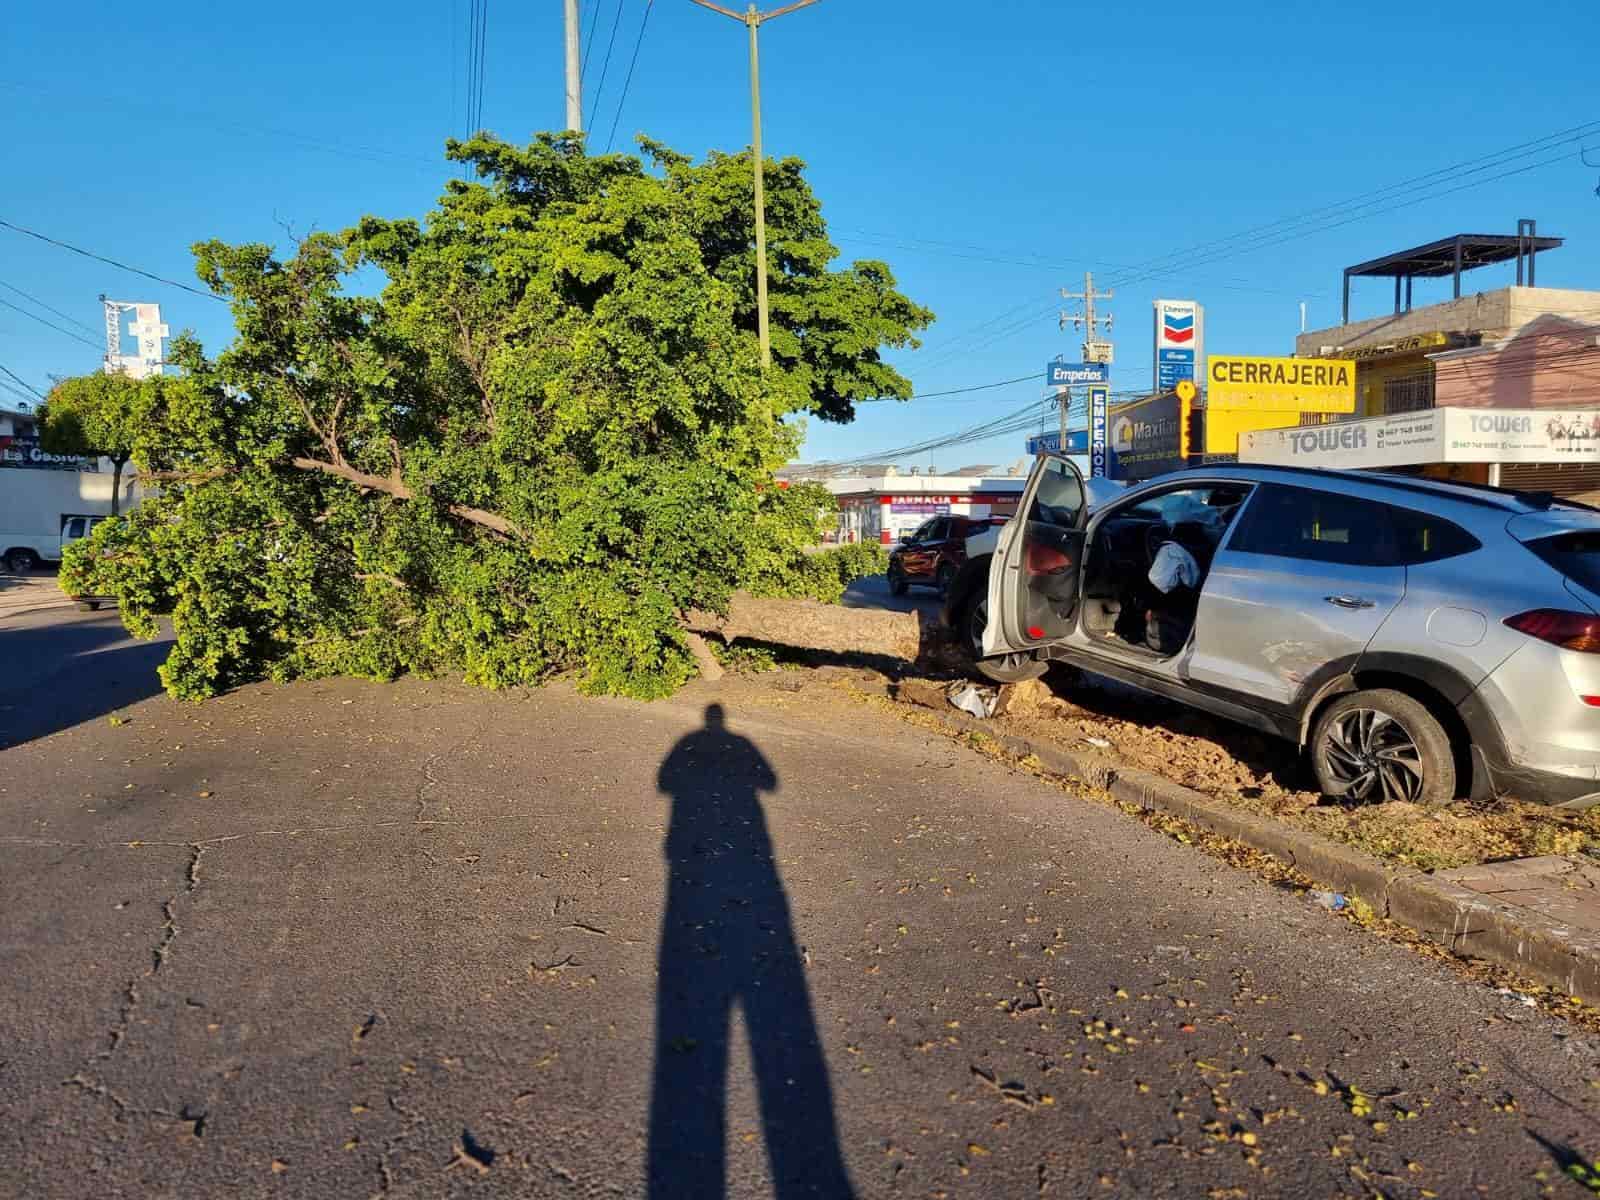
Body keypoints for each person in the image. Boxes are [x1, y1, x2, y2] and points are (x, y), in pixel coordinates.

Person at [1142, 521, 1212, 655]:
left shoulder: (1171, 551)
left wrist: (1150, 609)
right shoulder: (1212, 542)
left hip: (1174, 633)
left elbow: (1159, 583)